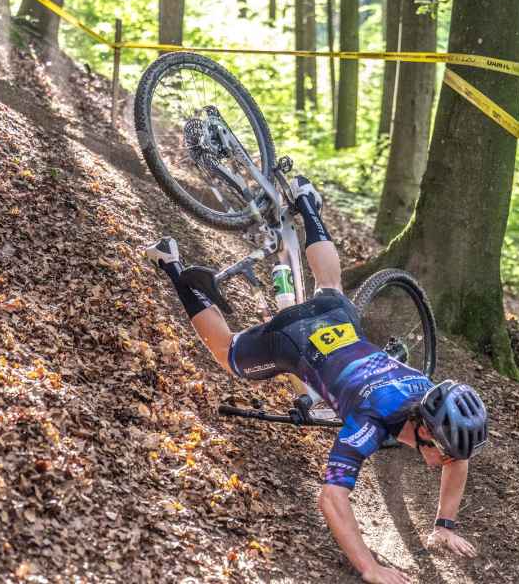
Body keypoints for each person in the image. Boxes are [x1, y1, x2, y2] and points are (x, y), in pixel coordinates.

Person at [146, 177, 488, 584]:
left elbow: (459, 456)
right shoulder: (369, 423)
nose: (449, 462)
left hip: (337, 319)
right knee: (228, 354)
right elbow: (332, 498)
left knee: (331, 286)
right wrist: (370, 567)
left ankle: (306, 201)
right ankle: (172, 265)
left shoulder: (427, 398)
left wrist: (444, 525)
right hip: (292, 339)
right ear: (425, 430)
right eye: (444, 453)